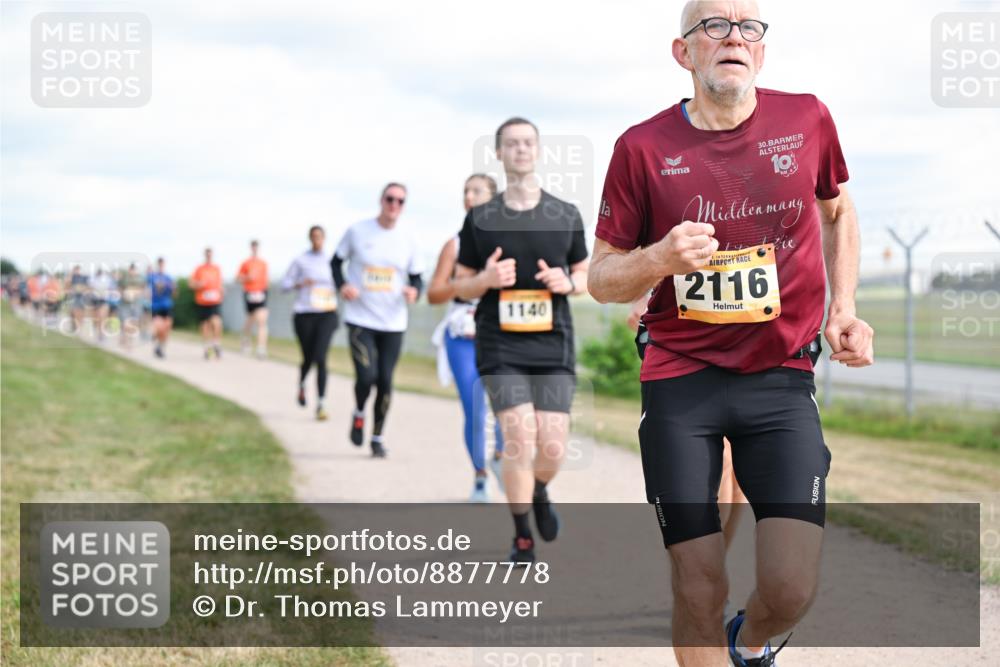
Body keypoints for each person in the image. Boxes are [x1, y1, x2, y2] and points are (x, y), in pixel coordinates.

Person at [587, 3, 875, 665]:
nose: (734, 37)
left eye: (749, 27)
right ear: (683, 52)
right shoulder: (642, 148)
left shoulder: (807, 119)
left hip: (780, 381)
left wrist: (844, 307)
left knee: (791, 585)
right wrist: (659, 258)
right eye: (714, 26)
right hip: (680, 381)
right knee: (698, 582)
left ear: (762, 53)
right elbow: (601, 277)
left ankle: (748, 641)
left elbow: (838, 211)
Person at [452, 117, 589, 564]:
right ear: (498, 153)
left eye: (528, 143)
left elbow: (587, 275)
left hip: (553, 344)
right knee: (518, 435)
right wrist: (488, 278)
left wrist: (567, 281)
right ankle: (522, 534)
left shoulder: (565, 213)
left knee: (551, 446)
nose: (521, 150)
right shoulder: (481, 218)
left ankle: (540, 489)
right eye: (511, 144)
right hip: (500, 345)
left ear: (539, 150)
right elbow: (461, 284)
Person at [628, 294, 747, 552]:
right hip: (689, 337)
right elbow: (650, 253)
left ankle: (714, 567)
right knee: (723, 457)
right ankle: (705, 570)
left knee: (742, 465)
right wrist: (642, 297)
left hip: (757, 332)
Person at [332, 183, 425, 458]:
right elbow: (335, 263)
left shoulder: (409, 238)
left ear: (404, 206)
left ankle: (377, 436)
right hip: (360, 317)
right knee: (366, 376)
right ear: (381, 200)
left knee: (385, 380)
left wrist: (414, 291)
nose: (394, 204)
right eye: (390, 199)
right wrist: (343, 285)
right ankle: (359, 412)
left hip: (393, 322)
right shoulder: (358, 231)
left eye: (400, 201)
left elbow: (417, 277)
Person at [428, 174, 506, 502]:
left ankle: (500, 458)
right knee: (474, 407)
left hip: (500, 334)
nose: (469, 196)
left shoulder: (507, 243)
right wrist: (468, 284)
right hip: (462, 336)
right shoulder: (455, 245)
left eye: (477, 191)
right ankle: (479, 477)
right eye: (465, 191)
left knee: (508, 405)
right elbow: (434, 293)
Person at [281, 226, 339, 421]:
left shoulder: (332, 261)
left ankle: (321, 403)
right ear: (309, 238)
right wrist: (299, 283)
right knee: (308, 357)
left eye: (320, 237)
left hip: (327, 313)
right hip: (305, 313)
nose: (317, 240)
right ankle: (302, 384)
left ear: (324, 238)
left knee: (321, 357)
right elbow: (284, 284)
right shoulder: (301, 260)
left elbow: (343, 282)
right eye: (314, 237)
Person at [236, 239, 270, 359]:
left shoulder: (263, 263)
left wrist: (265, 290)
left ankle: (261, 348)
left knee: (262, 320)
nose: (255, 249)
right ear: (251, 248)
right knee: (250, 319)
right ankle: (245, 338)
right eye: (253, 247)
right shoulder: (245, 263)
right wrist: (247, 278)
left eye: (256, 247)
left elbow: (266, 279)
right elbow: (238, 278)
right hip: (249, 293)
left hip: (261, 293)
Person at [190, 247, 224, 360]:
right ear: (205, 255)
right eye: (207, 255)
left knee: (217, 322)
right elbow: (191, 284)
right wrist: (199, 284)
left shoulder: (216, 269)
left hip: (215, 301)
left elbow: (220, 284)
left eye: (210, 255)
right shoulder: (199, 269)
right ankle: (207, 347)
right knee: (206, 326)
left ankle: (216, 343)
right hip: (203, 301)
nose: (209, 257)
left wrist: (222, 291)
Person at [148, 257, 175, 358]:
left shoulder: (168, 277)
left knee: (166, 327)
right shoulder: (152, 277)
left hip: (167, 305)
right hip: (155, 306)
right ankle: (154, 336)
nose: (161, 266)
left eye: (162, 264)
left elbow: (174, 291)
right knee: (159, 326)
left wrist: (171, 288)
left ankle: (160, 347)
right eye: (159, 264)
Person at [119, 263, 146, 348]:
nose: (132, 271)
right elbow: (119, 289)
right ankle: (125, 338)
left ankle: (130, 340)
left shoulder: (140, 278)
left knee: (134, 321)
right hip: (125, 303)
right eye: (131, 270)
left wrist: (137, 294)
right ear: (129, 270)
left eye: (134, 270)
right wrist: (124, 294)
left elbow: (143, 289)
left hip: (136, 303)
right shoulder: (124, 279)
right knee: (125, 321)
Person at [66, 265, 89, 334]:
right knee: (73, 312)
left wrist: (83, 289)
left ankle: (79, 327)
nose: (77, 271)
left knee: (81, 312)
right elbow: (67, 285)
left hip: (82, 297)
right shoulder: (72, 277)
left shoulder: (84, 277)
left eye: (78, 270)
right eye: (75, 270)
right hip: (74, 297)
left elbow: (88, 286)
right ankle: (75, 326)